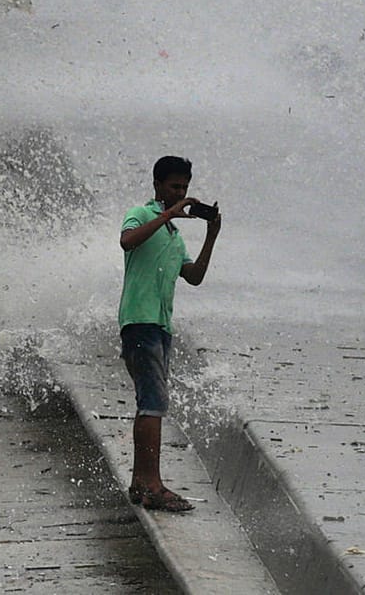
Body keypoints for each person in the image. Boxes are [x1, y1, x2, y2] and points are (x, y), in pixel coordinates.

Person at [117, 155, 220, 512]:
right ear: (158, 185)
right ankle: (154, 484)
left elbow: (194, 276)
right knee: (153, 404)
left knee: (151, 402)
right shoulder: (142, 214)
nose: (180, 193)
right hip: (139, 321)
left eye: (185, 188)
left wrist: (211, 236)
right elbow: (127, 241)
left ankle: (140, 483)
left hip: (161, 326)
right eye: (174, 186)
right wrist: (166, 215)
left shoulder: (175, 238)